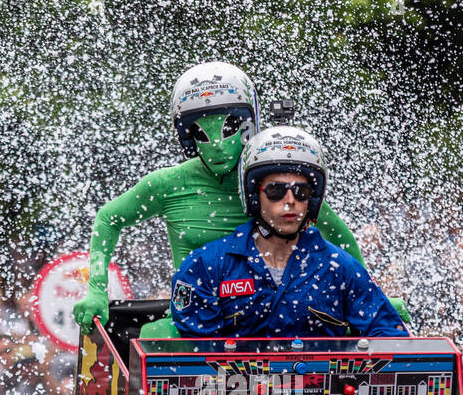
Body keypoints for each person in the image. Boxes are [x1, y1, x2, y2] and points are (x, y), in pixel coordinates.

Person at [73, 63, 364, 329]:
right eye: (201, 133)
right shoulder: (168, 184)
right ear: (187, 137)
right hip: (196, 320)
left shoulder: (275, 181)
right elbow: (109, 218)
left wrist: (367, 296)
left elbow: (338, 235)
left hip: (278, 317)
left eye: (228, 129)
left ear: (248, 127)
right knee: (155, 336)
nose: (216, 145)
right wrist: (97, 289)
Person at [169, 126, 407, 339]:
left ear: (311, 201)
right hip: (233, 387)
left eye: (301, 192)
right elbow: (199, 356)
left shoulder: (340, 268)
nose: (290, 201)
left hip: (322, 386)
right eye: (276, 191)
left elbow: (387, 332)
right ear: (254, 196)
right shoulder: (205, 266)